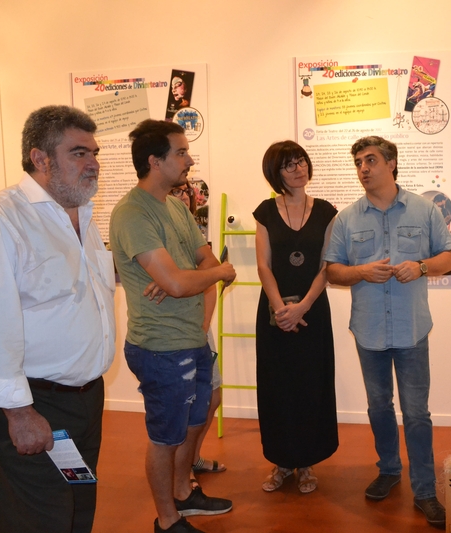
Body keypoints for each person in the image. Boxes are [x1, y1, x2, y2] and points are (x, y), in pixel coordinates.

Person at [0, 105, 116, 533]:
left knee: (78, 508)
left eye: (94, 153)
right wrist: (19, 414)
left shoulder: (82, 216)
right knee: (41, 518)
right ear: (40, 158)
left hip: (85, 401)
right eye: (78, 153)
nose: (92, 163)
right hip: (32, 404)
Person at [324, 136, 451, 529]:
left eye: (370, 160)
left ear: (391, 163)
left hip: (411, 328)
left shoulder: (424, 209)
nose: (363, 169)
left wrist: (421, 266)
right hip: (369, 330)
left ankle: (425, 490)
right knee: (379, 406)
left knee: (417, 412)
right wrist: (361, 272)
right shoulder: (347, 218)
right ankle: (388, 469)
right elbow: (332, 271)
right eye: (358, 163)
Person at [110, 119, 236, 533]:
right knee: (166, 437)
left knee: (195, 421)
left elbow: (201, 266)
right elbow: (188, 280)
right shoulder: (132, 213)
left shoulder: (177, 206)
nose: (189, 160)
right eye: (181, 152)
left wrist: (189, 276)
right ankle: (167, 520)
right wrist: (201, 275)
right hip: (160, 347)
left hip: (192, 337)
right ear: (154, 161)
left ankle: (184, 492)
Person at [253, 140, 338, 494]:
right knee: (277, 386)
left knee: (310, 385)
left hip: (312, 311)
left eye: (301, 161)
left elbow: (327, 265)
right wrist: (280, 309)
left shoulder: (326, 210)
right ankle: (281, 462)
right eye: (289, 164)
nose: (298, 168)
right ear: (276, 173)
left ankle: (307, 463)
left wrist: (302, 306)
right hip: (274, 314)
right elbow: (263, 265)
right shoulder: (265, 211)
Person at [168, 181, 226, 482]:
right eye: (175, 191)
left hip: (200, 329)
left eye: (186, 191)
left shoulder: (193, 234)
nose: (182, 196)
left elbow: (210, 281)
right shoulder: (162, 233)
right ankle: (180, 471)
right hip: (175, 331)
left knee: (212, 396)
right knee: (184, 405)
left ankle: (193, 458)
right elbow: (176, 282)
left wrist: (203, 328)